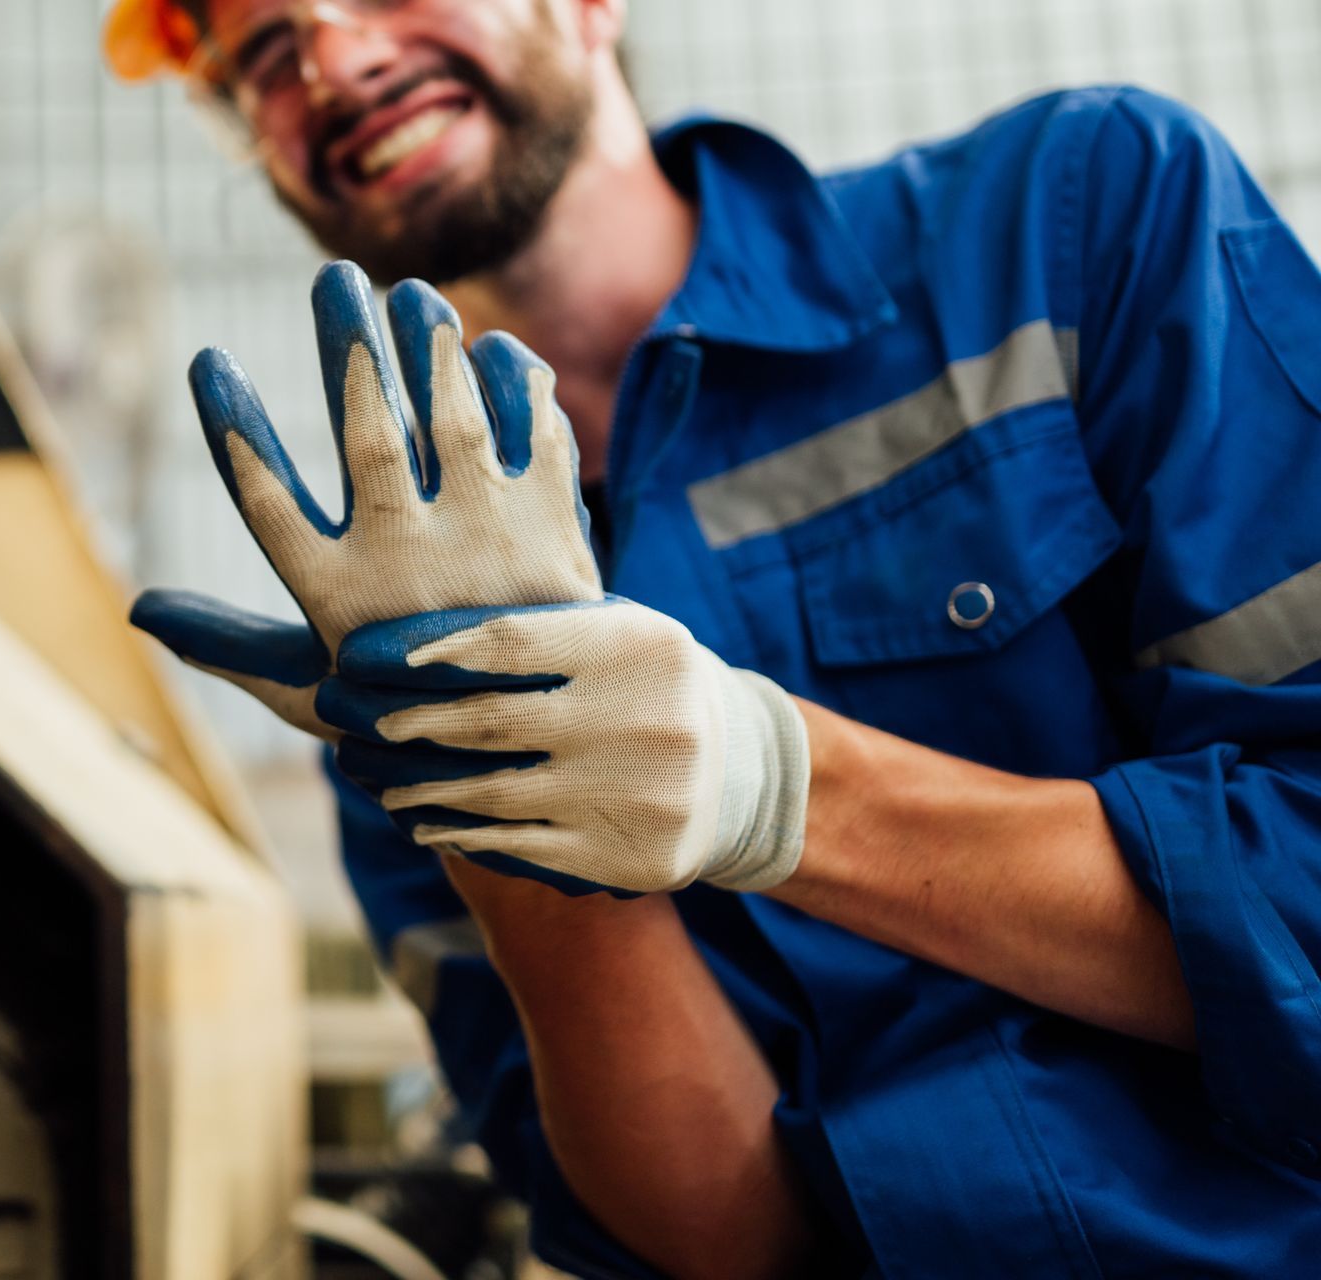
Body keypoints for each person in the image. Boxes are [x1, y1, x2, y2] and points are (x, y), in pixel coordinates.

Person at [108, 1, 1321, 1275]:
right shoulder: (391, 675)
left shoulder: (1072, 235)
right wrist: (507, 812)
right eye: (259, 55)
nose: (336, 66)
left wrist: (774, 784)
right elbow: (719, 1247)